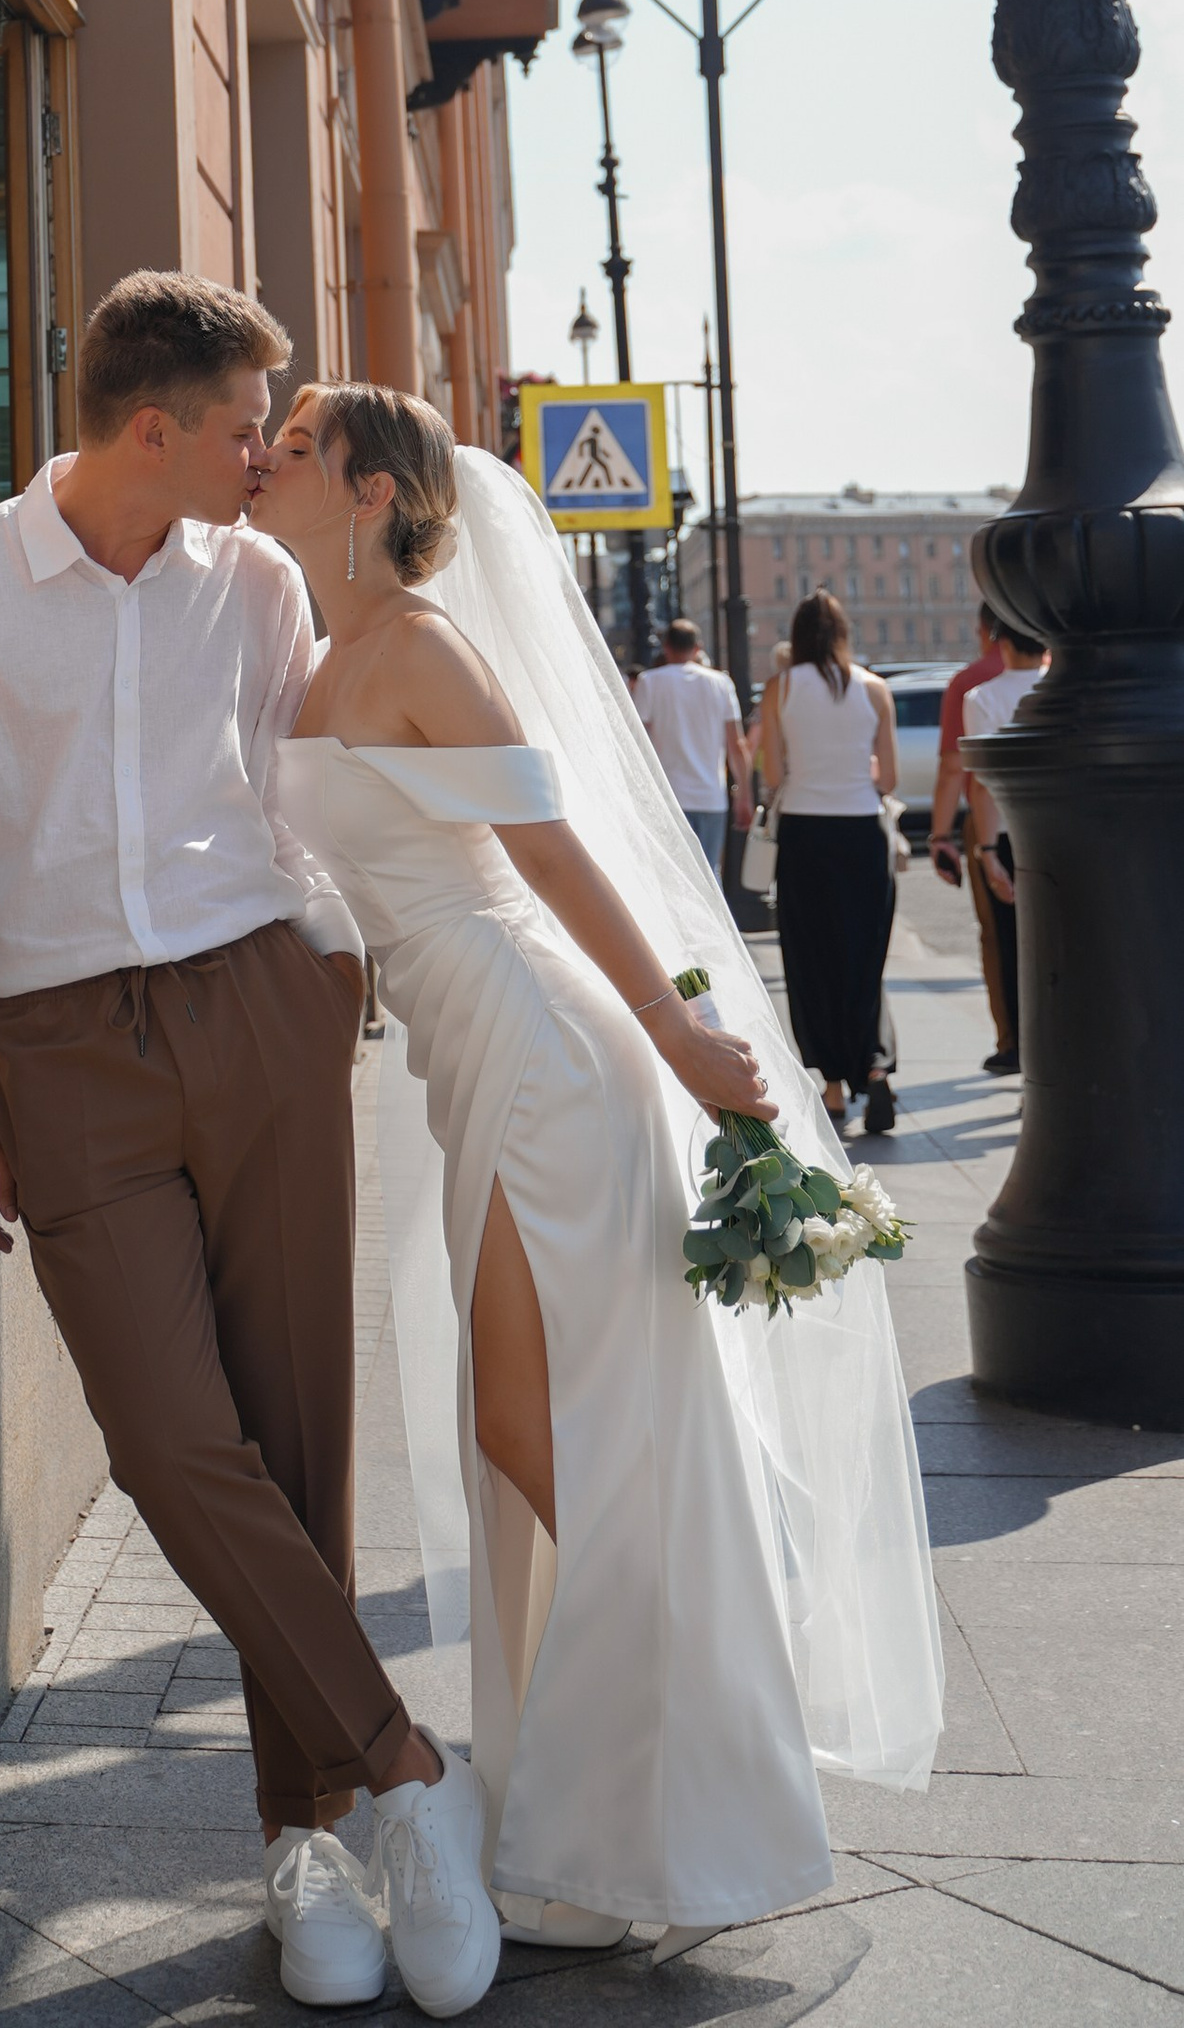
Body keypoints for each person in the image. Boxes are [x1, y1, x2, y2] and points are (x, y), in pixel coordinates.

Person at [252, 387, 943, 1957]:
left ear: (367, 492)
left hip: (547, 1047)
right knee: (527, 1432)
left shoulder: (423, 646)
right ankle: (611, 1783)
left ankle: (687, 1733)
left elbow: (559, 859)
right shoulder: (313, 656)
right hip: (464, 1055)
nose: (264, 460)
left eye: (293, 445)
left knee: (531, 1423)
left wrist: (687, 1044)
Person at [0, 274, 488, 2017]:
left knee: (297, 1433)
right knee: (168, 1437)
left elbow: (318, 768)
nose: (263, 451)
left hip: (262, 1011)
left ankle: (303, 1849)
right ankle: (406, 1773)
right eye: (244, 424)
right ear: (153, 425)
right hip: (66, 1054)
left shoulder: (262, 578)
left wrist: (353, 959)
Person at [753, 593, 900, 1134]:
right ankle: (875, 1065)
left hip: (806, 835)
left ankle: (834, 1088)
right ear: (843, 634)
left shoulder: (780, 688)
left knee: (811, 960)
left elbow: (773, 773)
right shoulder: (874, 688)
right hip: (862, 832)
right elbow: (889, 781)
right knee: (864, 959)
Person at [953, 626, 1046, 1075]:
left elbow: (985, 782)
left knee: (1014, 946)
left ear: (999, 640)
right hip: (1067, 836)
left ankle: (1025, 1052)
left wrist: (987, 851)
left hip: (1010, 834)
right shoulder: (1064, 686)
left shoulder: (982, 698)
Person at [930, 606, 1014, 1072]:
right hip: (1052, 827)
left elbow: (952, 768)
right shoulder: (1053, 673)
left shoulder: (971, 684)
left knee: (997, 937)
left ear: (986, 631)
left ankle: (1009, 1040)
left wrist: (940, 835)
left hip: (990, 825)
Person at [631, 616, 750, 873]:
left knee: (672, 876)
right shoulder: (721, 683)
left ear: (666, 647)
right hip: (710, 795)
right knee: (709, 876)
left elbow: (637, 740)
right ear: (698, 648)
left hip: (668, 794)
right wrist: (744, 795)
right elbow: (736, 744)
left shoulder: (649, 682)